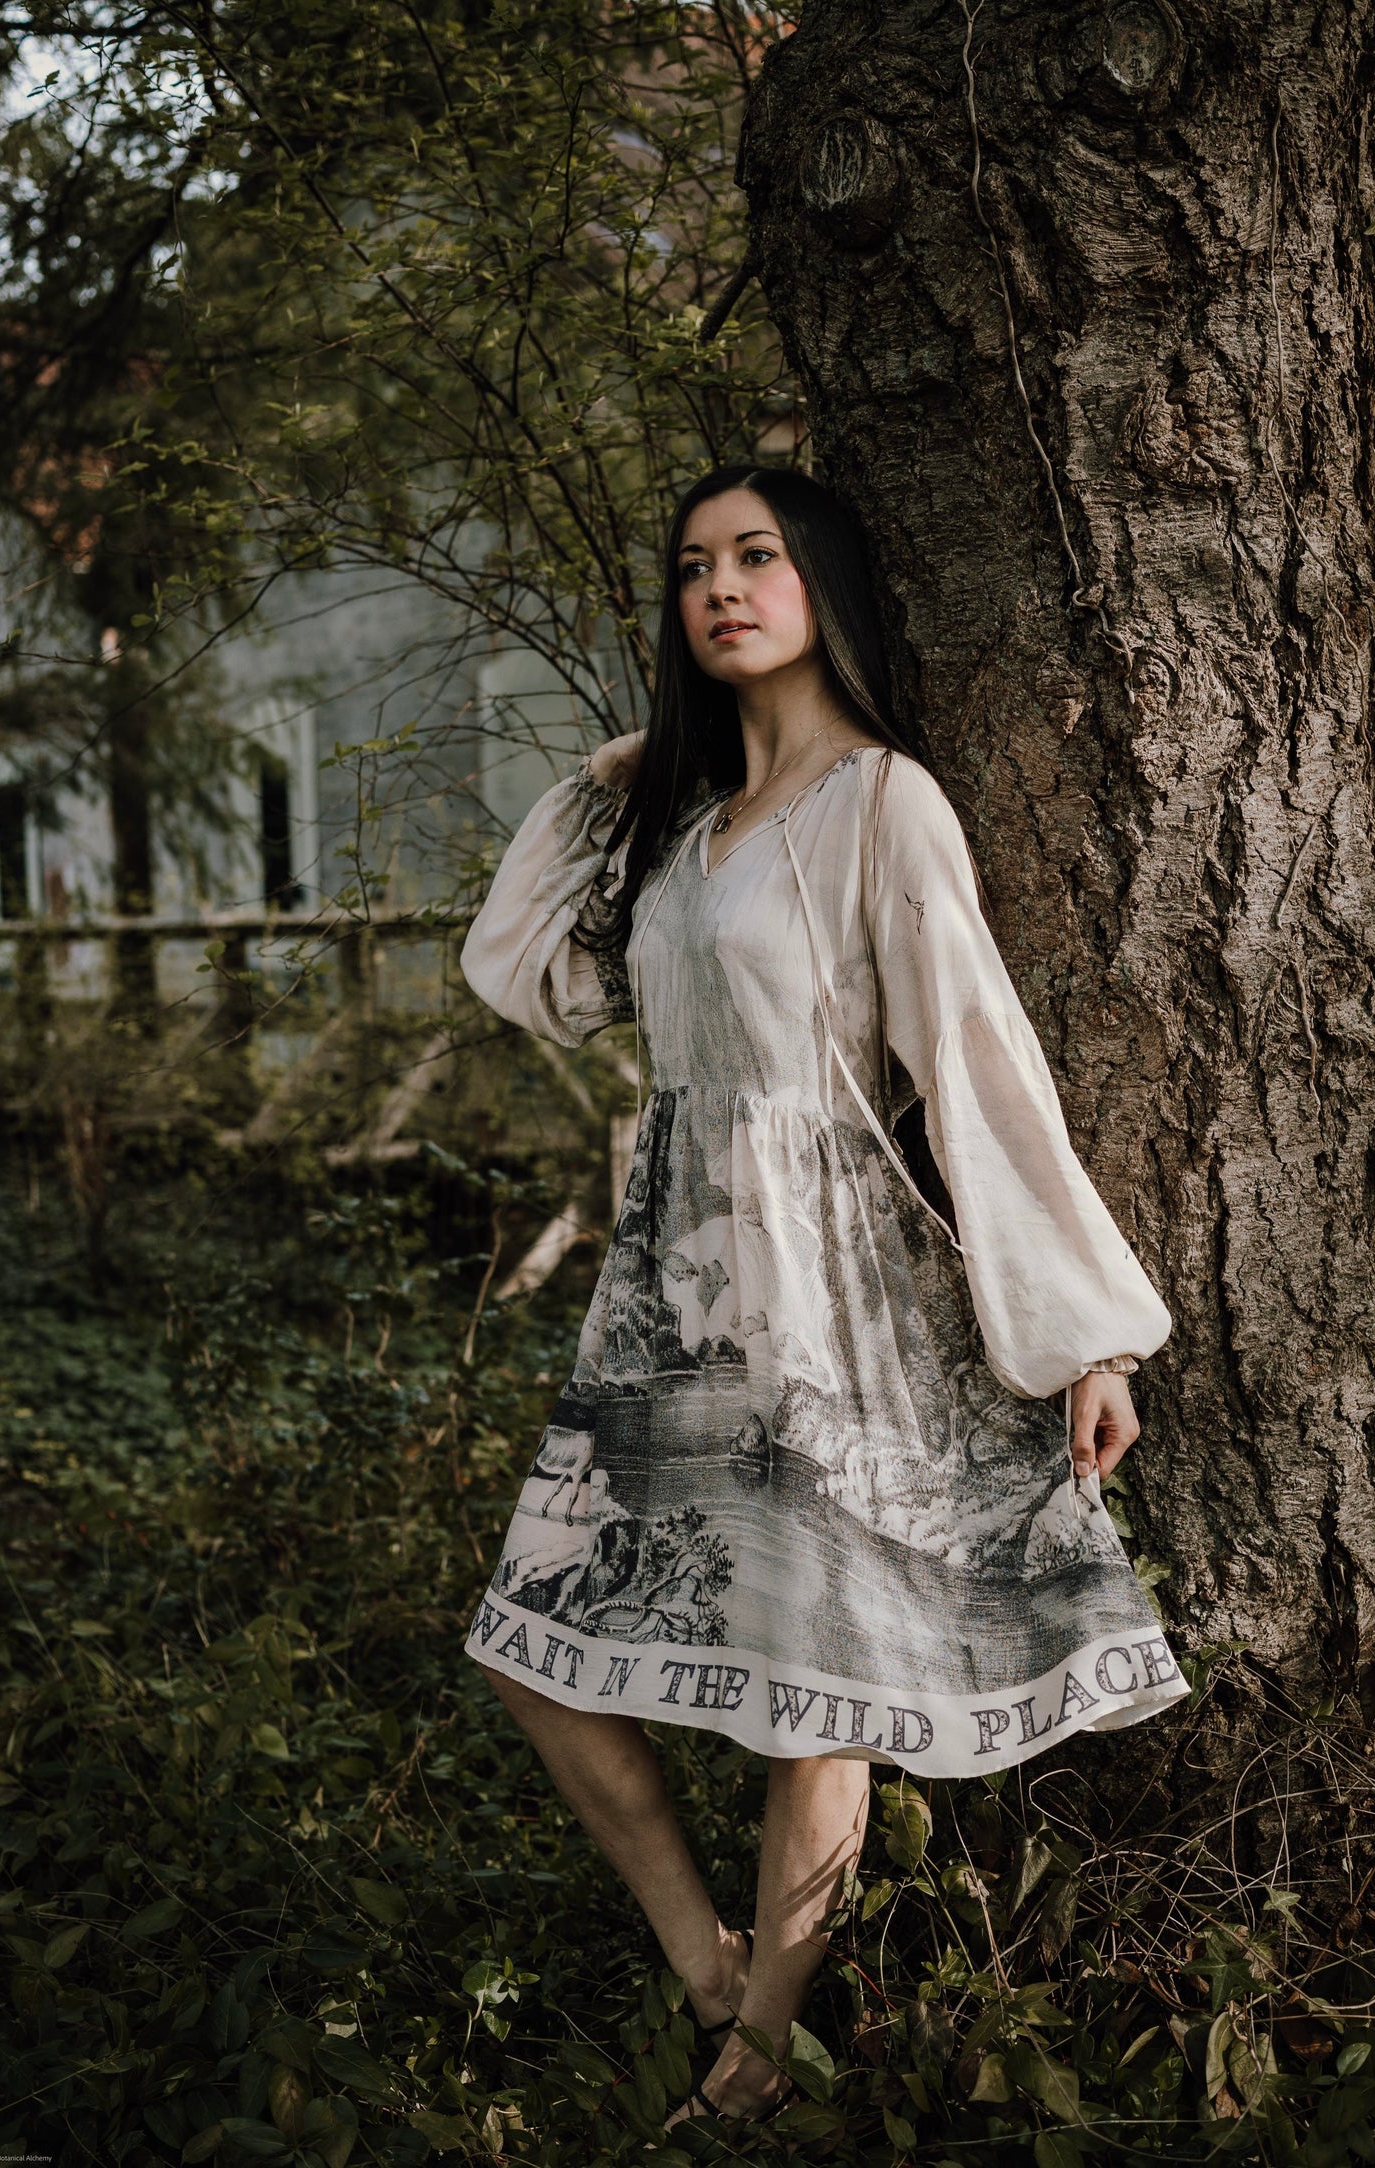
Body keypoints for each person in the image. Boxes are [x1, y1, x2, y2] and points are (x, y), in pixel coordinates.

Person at [457, 464, 1186, 2127]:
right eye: (693, 565)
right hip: (664, 1301)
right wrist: (630, 762)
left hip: (830, 1294)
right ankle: (712, 1970)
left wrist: (1084, 1332)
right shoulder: (684, 824)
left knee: (816, 1689)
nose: (720, 585)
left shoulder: (881, 805)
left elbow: (975, 1058)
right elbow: (527, 975)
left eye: (757, 556)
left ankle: (764, 2052)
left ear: (823, 585)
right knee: (531, 1651)